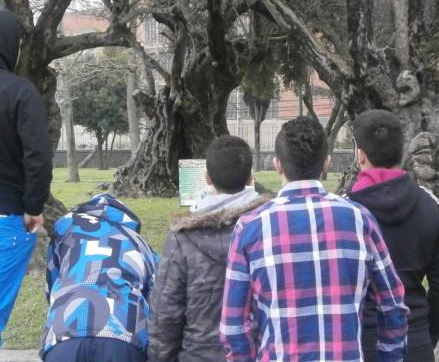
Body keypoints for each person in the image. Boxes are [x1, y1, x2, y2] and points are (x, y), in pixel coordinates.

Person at [220, 116, 409, 362]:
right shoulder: (360, 220)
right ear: (327, 163)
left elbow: (233, 326)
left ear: (277, 165)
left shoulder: (250, 227)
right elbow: (393, 306)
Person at [0, 9, 53, 362]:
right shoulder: (20, 91)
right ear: (9, 46)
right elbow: (38, 158)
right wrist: (33, 207)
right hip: (0, 221)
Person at [148, 135, 269, 362]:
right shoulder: (269, 226)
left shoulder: (182, 238)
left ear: (207, 178)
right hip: (257, 351)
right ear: (251, 178)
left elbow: (165, 314)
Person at [346, 110, 439, 361]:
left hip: (359, 342)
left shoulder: (345, 212)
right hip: (415, 339)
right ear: (402, 151)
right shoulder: (433, 207)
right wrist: (428, 337)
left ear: (360, 154)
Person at [41, 194, 157, 362]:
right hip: (123, 335)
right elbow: (156, 294)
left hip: (63, 332)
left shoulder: (65, 228)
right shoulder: (140, 243)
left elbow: (52, 278)